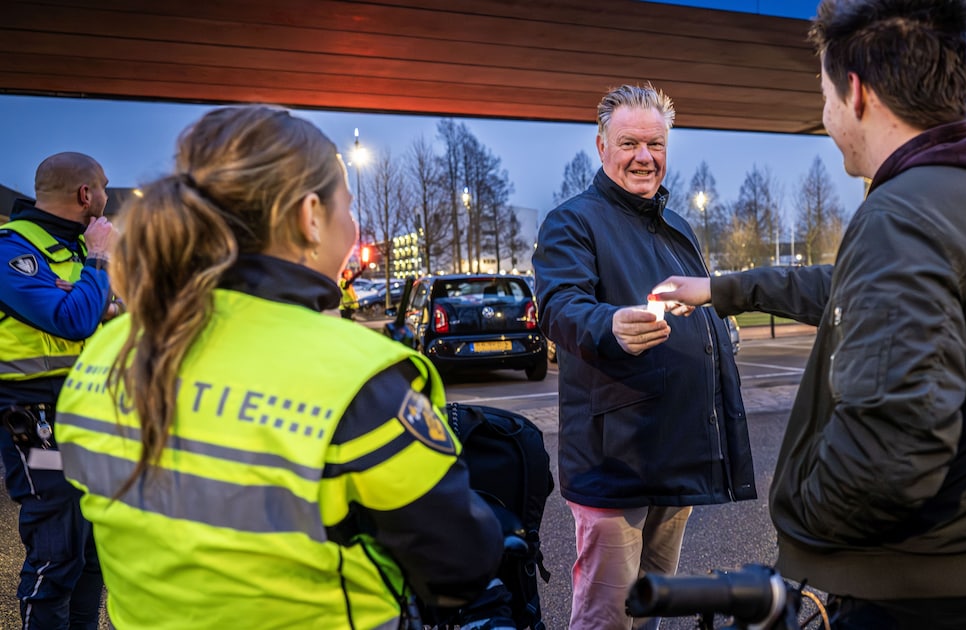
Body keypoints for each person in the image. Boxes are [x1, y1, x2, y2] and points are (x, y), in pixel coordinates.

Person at [655, 1, 966, 627]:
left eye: (825, 94)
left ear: (856, 92)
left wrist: (800, 524)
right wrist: (721, 290)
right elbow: (852, 288)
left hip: (928, 602)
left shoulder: (902, 217)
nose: (826, 115)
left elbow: (889, 459)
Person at [53, 105, 505, 629]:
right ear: (310, 214)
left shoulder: (105, 356)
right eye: (348, 206)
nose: (351, 222)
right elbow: (459, 566)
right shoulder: (356, 378)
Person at [532, 84, 756, 630]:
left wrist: (718, 329)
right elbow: (560, 305)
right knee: (608, 615)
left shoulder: (676, 226)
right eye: (629, 142)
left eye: (655, 144)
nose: (643, 157)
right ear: (601, 145)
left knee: (654, 605)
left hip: (675, 452)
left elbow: (695, 300)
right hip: (617, 460)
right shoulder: (572, 222)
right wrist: (608, 324)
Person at [0, 152, 115, 630]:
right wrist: (102, 260)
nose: (108, 197)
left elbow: (95, 317)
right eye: (104, 187)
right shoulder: (11, 249)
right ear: (86, 195)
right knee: (58, 548)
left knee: (92, 555)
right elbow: (71, 318)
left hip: (81, 411)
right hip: (33, 417)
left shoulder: (73, 251)